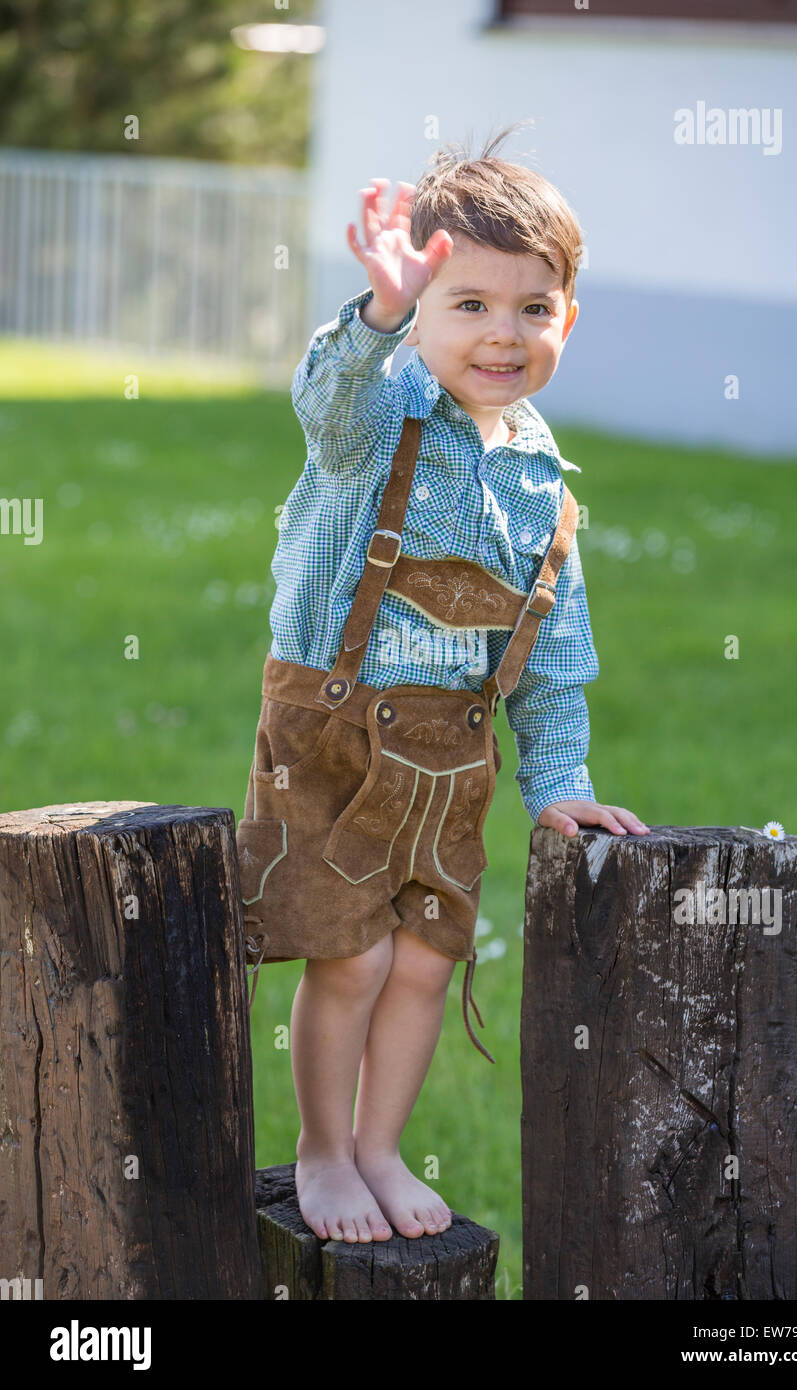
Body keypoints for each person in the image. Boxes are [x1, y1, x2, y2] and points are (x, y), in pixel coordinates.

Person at [236, 128, 650, 1248]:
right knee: (354, 951)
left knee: (423, 957)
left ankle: (379, 1147)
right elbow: (323, 406)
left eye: (532, 308)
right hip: (331, 728)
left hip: (451, 752)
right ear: (420, 306)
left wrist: (557, 779)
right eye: (464, 303)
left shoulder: (540, 474)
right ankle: (322, 1154)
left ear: (567, 316)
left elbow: (550, 655)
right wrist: (376, 312)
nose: (501, 335)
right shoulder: (379, 412)